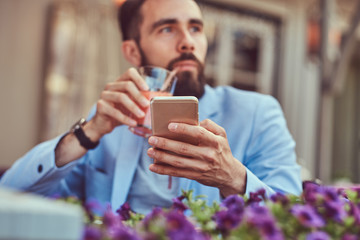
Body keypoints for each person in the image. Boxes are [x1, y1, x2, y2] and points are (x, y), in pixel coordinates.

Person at [0, 0, 302, 214]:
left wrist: (232, 177)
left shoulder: (258, 114)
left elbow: (294, 220)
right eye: (167, 29)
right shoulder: (107, 123)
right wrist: (87, 132)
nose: (187, 42)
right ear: (132, 51)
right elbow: (11, 194)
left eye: (195, 28)